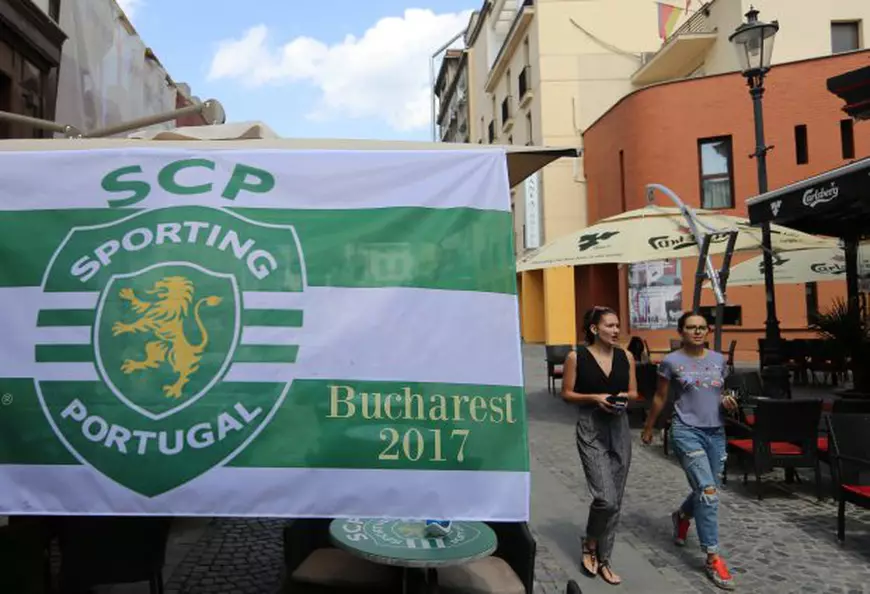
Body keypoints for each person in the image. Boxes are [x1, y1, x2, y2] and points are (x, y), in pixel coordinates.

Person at [641, 312, 739, 591]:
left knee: (707, 489)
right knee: (708, 493)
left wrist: (728, 401)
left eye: (701, 328)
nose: (696, 332)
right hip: (686, 431)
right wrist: (650, 427)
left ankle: (682, 516)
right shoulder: (672, 361)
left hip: (716, 433)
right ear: (681, 332)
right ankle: (712, 557)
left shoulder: (719, 360)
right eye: (690, 328)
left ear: (707, 331)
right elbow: (661, 396)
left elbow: (721, 393)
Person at [561, 306, 638, 586]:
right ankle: (591, 541)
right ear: (594, 329)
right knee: (605, 497)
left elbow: (634, 392)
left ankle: (603, 557)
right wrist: (596, 397)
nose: (616, 330)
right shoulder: (576, 357)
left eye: (618, 325)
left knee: (616, 499)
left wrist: (621, 398)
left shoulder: (626, 356)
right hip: (591, 427)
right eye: (610, 325)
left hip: (619, 427)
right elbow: (567, 393)